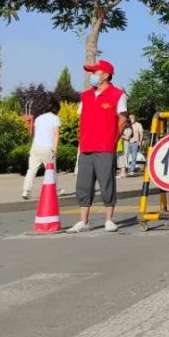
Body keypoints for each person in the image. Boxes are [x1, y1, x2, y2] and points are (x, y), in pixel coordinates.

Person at [67, 59, 128, 233]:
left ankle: (109, 219)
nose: (92, 76)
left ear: (105, 75)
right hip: (86, 146)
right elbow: (81, 118)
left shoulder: (117, 94)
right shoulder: (85, 96)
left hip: (105, 147)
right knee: (83, 184)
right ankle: (83, 221)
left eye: (95, 72)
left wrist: (113, 139)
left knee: (106, 182)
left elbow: (123, 119)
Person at [22, 96, 61, 200]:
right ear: (56, 109)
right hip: (48, 148)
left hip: (35, 147)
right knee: (52, 170)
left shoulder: (39, 118)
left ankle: (26, 191)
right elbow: (56, 134)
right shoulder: (55, 118)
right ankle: (55, 190)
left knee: (31, 170)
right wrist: (56, 149)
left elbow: (33, 133)